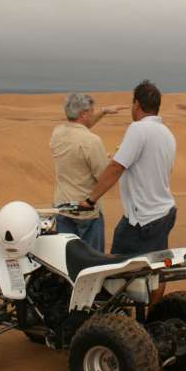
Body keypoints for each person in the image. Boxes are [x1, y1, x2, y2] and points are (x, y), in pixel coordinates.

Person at [79, 81, 177, 261]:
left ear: (137, 104)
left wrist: (90, 200)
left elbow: (116, 168)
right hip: (164, 213)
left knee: (117, 266)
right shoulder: (167, 133)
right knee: (155, 264)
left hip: (143, 219)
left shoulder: (138, 129)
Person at [50, 93, 124, 252]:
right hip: (87, 213)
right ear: (83, 114)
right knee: (92, 260)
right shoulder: (92, 141)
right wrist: (114, 160)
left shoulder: (58, 133)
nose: (92, 114)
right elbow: (103, 177)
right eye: (91, 111)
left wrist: (103, 111)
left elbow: (80, 128)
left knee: (67, 258)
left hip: (62, 209)